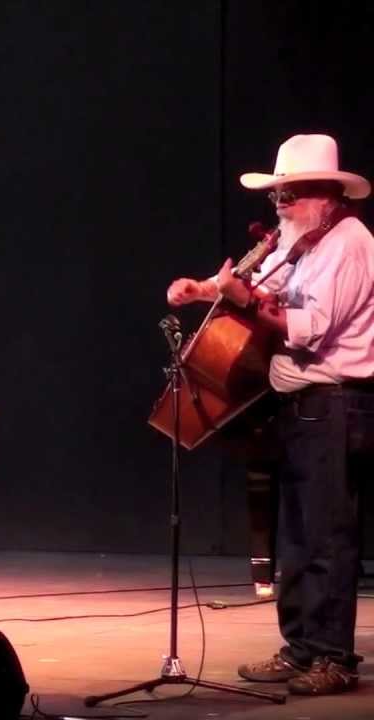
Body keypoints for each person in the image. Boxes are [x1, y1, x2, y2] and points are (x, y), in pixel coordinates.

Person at [167, 133, 371, 695]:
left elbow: (310, 330)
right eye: (276, 196)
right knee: (299, 538)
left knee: (329, 537)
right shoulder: (300, 237)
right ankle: (301, 647)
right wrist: (203, 288)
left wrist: (244, 300)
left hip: (335, 405)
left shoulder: (349, 243)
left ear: (324, 194)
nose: (278, 206)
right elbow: (260, 278)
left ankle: (332, 657)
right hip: (300, 408)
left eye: (289, 194)